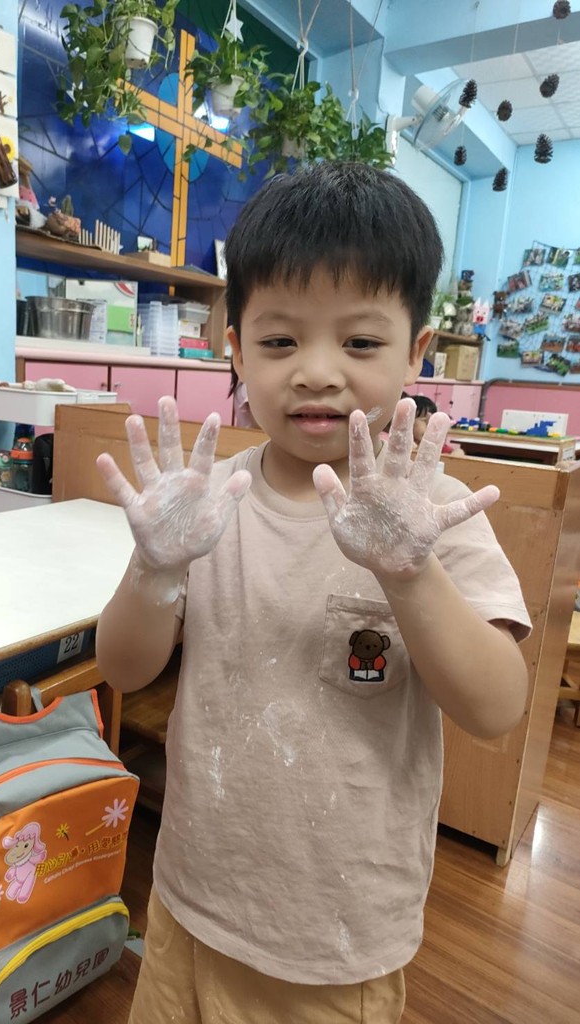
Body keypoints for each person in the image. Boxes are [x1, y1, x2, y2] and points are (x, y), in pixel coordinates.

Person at [95, 162, 530, 1024]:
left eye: (360, 343)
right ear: (234, 349)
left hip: (333, 937)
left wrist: (407, 573)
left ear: (416, 352)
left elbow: (494, 708)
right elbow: (124, 669)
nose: (317, 372)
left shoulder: (430, 513)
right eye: (280, 342)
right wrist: (153, 567)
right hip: (189, 895)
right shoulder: (209, 503)